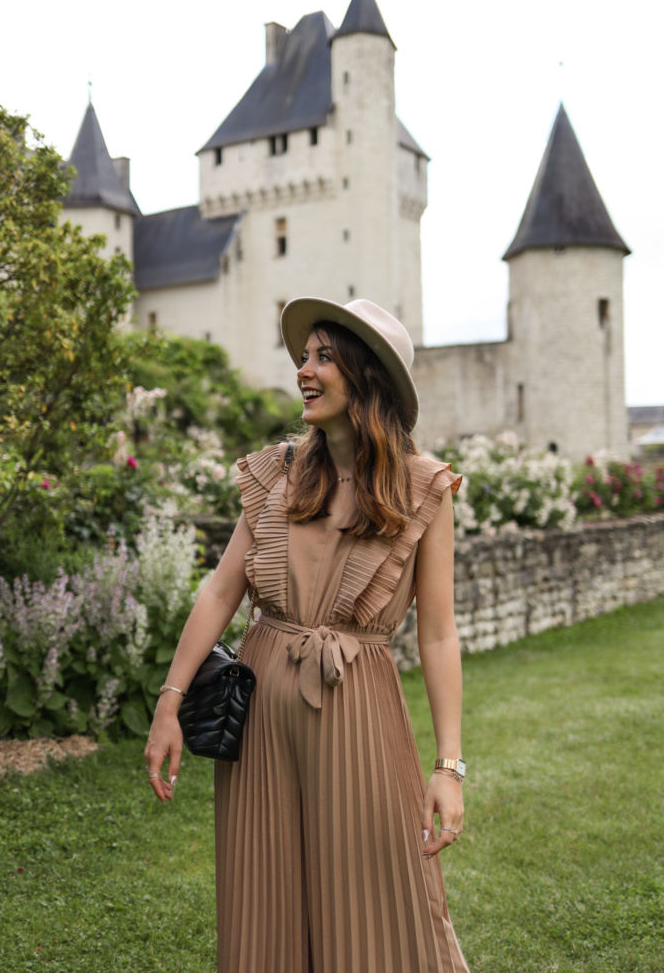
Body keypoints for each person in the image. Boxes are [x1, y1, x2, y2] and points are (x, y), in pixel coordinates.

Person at [145, 298, 469, 972]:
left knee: (383, 896)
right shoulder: (282, 472)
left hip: (360, 709)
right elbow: (221, 590)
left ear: (367, 376)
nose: (305, 371)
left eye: (324, 357)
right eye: (304, 356)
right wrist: (170, 700)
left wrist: (448, 767)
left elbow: (438, 635)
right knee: (263, 901)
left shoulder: (422, 488)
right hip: (261, 713)